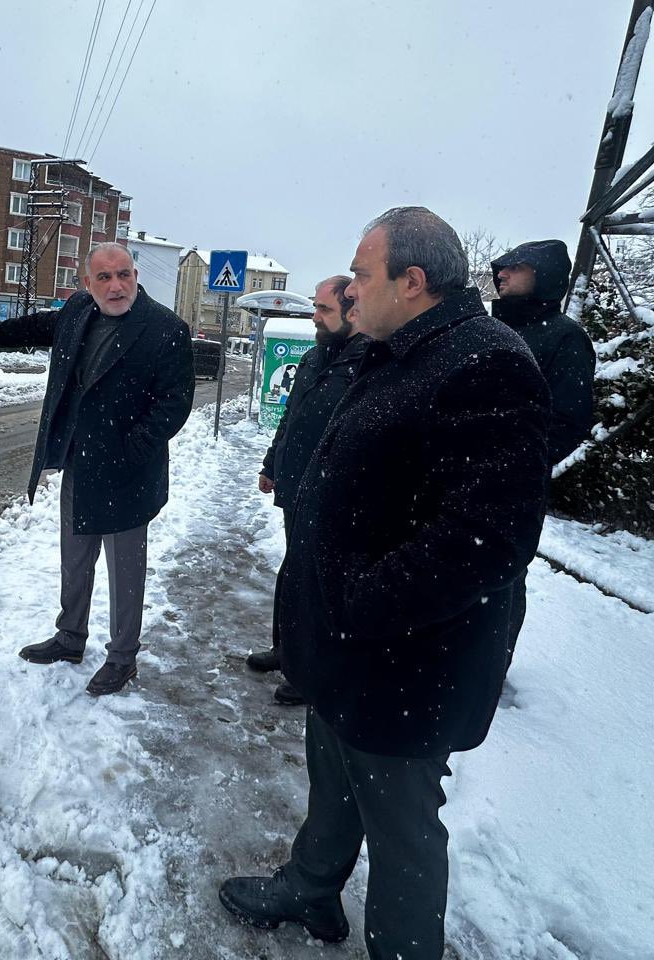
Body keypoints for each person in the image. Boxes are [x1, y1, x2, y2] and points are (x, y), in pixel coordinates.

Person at [219, 207, 550, 959]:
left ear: (412, 280)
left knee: (401, 827)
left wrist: (362, 604)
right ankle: (312, 888)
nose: (351, 289)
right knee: (332, 772)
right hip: (349, 646)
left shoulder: (485, 363)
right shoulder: (399, 349)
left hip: (407, 660)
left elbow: (487, 539)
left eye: (362, 274)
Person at [0, 243, 194, 696]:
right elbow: (36, 325)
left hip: (128, 473)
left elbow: (173, 406)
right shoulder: (79, 310)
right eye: (104, 277)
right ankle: (70, 637)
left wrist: (129, 453)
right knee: (75, 559)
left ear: (136, 275)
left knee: (125, 571)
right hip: (81, 461)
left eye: (124, 275)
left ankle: (122, 658)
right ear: (87, 284)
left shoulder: (165, 330)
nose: (116, 286)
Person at [248, 276, 369, 706]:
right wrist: (271, 462)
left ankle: (310, 671)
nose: (314, 317)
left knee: (319, 583)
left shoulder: (367, 362)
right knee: (294, 573)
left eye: (323, 310)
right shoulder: (318, 356)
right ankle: (287, 651)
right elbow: (291, 416)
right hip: (296, 483)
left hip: (332, 493)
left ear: (351, 311)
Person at [490, 239, 595, 466]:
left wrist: (504, 465)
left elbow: (567, 422)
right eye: (503, 268)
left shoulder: (566, 337)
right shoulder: (490, 330)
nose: (501, 274)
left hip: (513, 487)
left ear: (544, 275)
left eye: (515, 267)